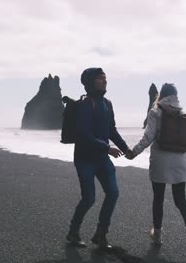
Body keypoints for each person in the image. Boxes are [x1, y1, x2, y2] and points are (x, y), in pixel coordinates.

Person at [126, 83, 186, 258]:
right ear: (176, 96)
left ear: (162, 95)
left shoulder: (155, 112)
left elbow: (148, 137)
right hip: (180, 161)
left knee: (158, 198)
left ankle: (157, 236)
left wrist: (133, 152)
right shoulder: (183, 113)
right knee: (180, 199)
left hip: (161, 161)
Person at [66, 67, 132, 249]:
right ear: (90, 82)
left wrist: (126, 149)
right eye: (100, 78)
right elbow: (83, 134)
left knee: (113, 193)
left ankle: (101, 235)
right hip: (85, 159)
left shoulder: (107, 104)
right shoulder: (86, 104)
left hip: (102, 159)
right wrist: (107, 148)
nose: (105, 81)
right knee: (89, 198)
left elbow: (111, 130)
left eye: (105, 78)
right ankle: (73, 232)